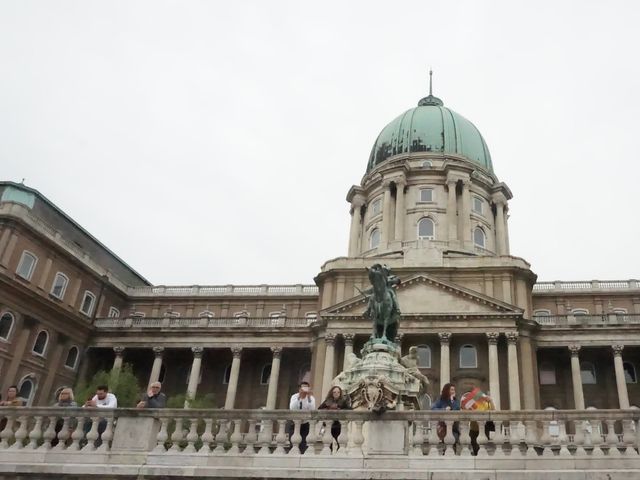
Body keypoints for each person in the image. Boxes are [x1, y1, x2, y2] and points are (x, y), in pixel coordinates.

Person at [288, 381, 316, 453]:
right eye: (303, 387)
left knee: (304, 444)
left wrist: (309, 397)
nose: (304, 389)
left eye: (306, 387)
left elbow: (312, 409)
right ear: (299, 388)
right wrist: (299, 397)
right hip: (294, 423)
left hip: (305, 424)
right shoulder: (294, 396)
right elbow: (292, 408)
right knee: (293, 443)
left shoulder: (311, 398)